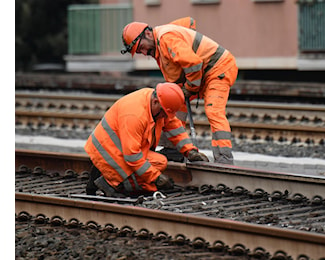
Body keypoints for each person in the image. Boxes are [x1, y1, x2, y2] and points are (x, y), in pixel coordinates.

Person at [120, 17, 238, 165]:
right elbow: (189, 22)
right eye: (139, 51)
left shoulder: (166, 38)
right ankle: (173, 149)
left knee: (213, 111)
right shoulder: (160, 41)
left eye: (142, 47)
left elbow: (194, 64)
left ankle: (224, 159)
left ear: (148, 34)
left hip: (217, 68)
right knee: (173, 104)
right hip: (200, 74)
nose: (144, 53)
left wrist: (189, 88)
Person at [84, 82, 209, 197]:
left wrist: (190, 151)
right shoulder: (134, 115)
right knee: (138, 185)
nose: (165, 117)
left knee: (160, 162)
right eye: (164, 113)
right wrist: (156, 178)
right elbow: (132, 157)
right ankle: (109, 183)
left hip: (125, 148)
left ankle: (111, 177)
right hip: (108, 152)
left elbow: (174, 127)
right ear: (155, 102)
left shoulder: (159, 102)